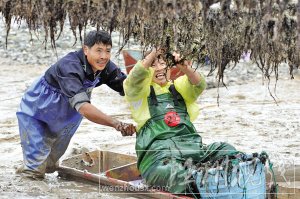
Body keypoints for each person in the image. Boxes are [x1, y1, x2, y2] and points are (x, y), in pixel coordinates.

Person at [16, 30, 136, 179]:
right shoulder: (69, 67)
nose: (103, 56)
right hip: (37, 111)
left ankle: (25, 168)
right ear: (86, 49)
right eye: (98, 50)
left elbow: (130, 88)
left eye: (107, 51)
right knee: (34, 170)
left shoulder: (105, 67)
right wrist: (117, 124)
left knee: (49, 166)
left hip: (67, 116)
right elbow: (84, 108)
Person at [123, 49, 239, 195]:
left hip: (193, 150)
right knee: (176, 174)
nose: (159, 68)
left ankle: (226, 185)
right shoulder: (139, 94)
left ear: (169, 67)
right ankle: (201, 189)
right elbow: (133, 80)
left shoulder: (178, 87)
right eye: (153, 65)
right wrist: (153, 53)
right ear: (146, 69)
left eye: (162, 63)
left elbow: (199, 84)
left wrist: (184, 67)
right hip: (159, 158)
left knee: (226, 149)